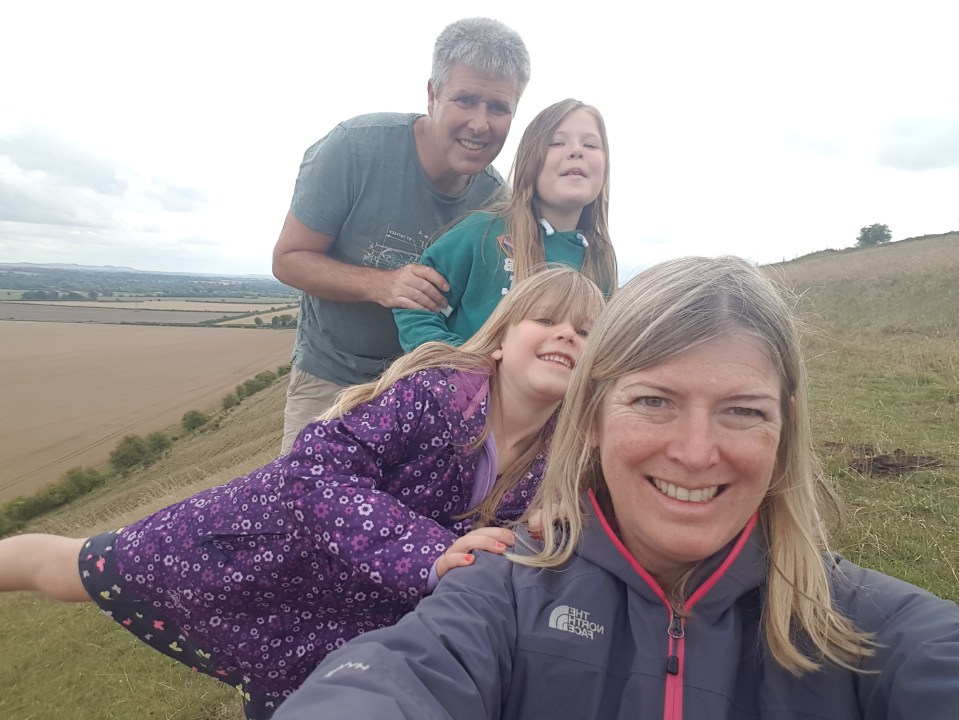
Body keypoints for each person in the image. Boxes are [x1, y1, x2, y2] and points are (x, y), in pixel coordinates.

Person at [272, 256, 959, 720]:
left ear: (783, 433)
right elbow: (392, 682)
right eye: (654, 401)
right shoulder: (502, 592)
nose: (694, 452)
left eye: (743, 411)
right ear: (593, 419)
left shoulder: (874, 628)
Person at [0, 267, 604, 720]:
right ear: (500, 338)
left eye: (584, 332)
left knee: (312, 699)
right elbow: (314, 471)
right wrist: (427, 554)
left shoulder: (563, 458)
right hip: (257, 544)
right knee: (81, 567)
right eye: (547, 321)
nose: (566, 336)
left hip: (343, 612)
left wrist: (559, 509)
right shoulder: (435, 395)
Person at [273, 17, 530, 454]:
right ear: (432, 95)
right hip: (330, 374)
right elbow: (288, 259)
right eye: (465, 99)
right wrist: (383, 284)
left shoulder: (496, 201)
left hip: (428, 387)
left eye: (498, 107)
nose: (480, 124)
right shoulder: (355, 148)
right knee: (301, 501)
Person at [394, 98, 618, 352]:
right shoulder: (482, 231)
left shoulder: (601, 262)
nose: (577, 151)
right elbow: (414, 305)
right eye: (557, 142)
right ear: (530, 162)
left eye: (590, 144)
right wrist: (458, 363)